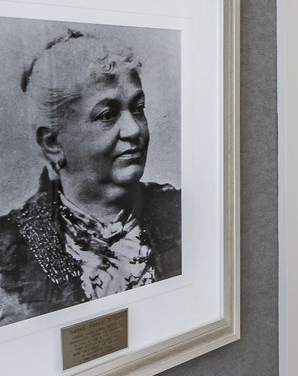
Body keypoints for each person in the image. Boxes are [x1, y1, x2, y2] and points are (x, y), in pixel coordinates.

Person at [0, 30, 180, 325]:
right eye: (107, 115)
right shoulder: (8, 254)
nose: (133, 130)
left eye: (138, 109)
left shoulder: (182, 213)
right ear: (52, 143)